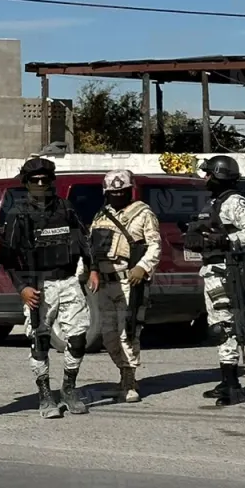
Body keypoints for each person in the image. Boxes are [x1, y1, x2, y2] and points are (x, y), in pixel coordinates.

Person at [0, 156, 94, 419]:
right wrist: (22, 289)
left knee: (78, 338)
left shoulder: (65, 208)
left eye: (45, 179)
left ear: (52, 181)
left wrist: (92, 268)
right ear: (26, 183)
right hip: (38, 285)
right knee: (39, 341)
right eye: (35, 180)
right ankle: (44, 396)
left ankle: (69, 389)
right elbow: (8, 257)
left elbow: (84, 241)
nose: (41, 184)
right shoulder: (18, 214)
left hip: (69, 281)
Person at [186, 154, 245, 406]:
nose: (206, 178)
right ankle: (227, 380)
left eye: (209, 173)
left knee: (224, 325)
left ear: (220, 174)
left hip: (225, 271)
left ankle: (232, 384)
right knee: (219, 325)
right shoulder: (216, 202)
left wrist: (227, 240)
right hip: (212, 270)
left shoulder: (234, 201)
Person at [87, 169, 162, 403]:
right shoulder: (101, 215)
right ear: (106, 193)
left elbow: (155, 245)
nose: (118, 195)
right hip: (106, 283)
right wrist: (91, 270)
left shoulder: (143, 213)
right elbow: (91, 247)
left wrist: (143, 267)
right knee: (108, 336)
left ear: (129, 190)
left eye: (122, 192)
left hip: (130, 280)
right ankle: (123, 375)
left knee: (128, 332)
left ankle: (130, 381)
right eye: (113, 192)